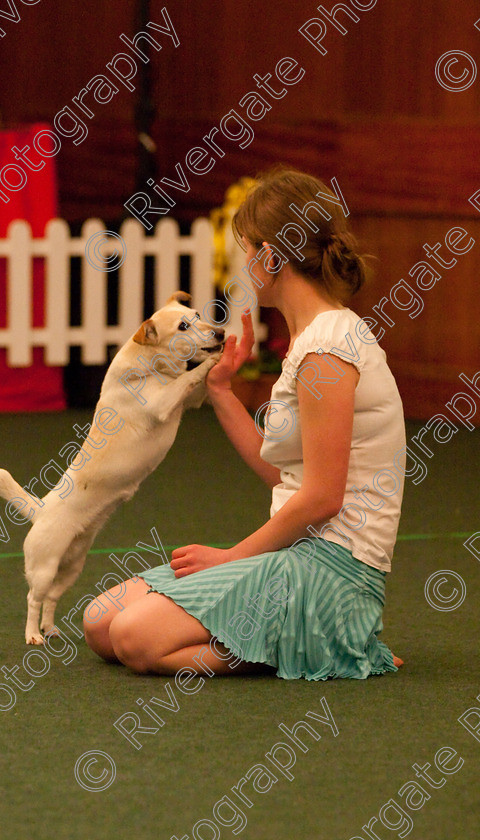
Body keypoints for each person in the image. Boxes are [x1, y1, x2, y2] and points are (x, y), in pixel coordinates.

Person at [83, 167, 406, 679]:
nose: (246, 264)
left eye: (248, 251)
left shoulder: (327, 351)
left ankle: (322, 641)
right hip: (297, 554)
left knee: (133, 638)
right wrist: (221, 392)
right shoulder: (313, 340)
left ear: (273, 256)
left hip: (332, 571)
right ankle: (288, 634)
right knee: (100, 622)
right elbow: (290, 477)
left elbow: (324, 498)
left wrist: (231, 557)